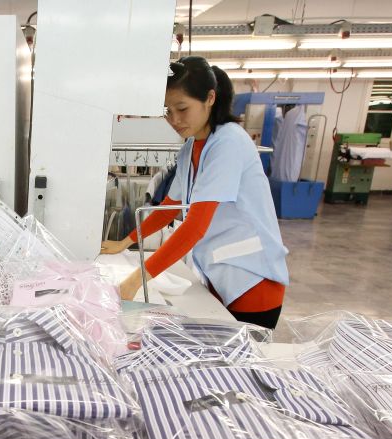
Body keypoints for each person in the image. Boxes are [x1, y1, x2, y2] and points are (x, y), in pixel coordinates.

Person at [101, 56, 289, 329]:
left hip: (252, 280)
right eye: (167, 111)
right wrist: (126, 241)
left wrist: (135, 281)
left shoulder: (229, 143)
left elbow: (195, 227)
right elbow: (170, 206)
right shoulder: (192, 147)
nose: (174, 120)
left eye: (182, 109)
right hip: (221, 275)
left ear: (210, 98)